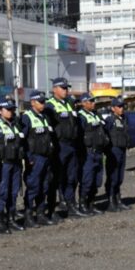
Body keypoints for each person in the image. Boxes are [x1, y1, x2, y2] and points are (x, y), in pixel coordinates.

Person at [43, 78, 86, 218]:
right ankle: (52, 209)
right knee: (56, 178)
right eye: (62, 88)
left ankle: (71, 205)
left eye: (67, 88)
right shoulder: (50, 105)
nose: (65, 90)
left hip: (71, 145)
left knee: (71, 177)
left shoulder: (70, 104)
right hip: (59, 146)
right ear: (54, 89)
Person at [20, 90, 57, 227]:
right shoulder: (27, 117)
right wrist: (28, 157)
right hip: (35, 158)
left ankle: (40, 213)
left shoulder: (45, 117)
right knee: (33, 186)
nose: (43, 104)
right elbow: (23, 139)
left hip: (46, 156)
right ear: (32, 102)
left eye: (44, 102)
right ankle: (28, 215)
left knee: (44, 186)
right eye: (40, 102)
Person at [0, 97, 24, 233]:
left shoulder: (15, 124)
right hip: (4, 164)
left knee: (14, 192)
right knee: (3, 192)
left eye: (12, 109)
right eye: (8, 109)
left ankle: (11, 219)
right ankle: (0, 222)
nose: (10, 112)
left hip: (16, 163)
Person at [76, 92, 109, 216]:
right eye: (91, 101)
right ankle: (83, 204)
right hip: (88, 153)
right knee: (87, 180)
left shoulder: (96, 115)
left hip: (98, 152)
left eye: (93, 101)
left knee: (97, 180)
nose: (93, 103)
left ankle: (91, 203)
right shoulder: (81, 116)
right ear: (84, 103)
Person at [104, 97, 131, 212]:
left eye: (122, 106)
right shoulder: (110, 120)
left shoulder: (124, 119)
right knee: (113, 177)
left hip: (122, 150)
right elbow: (105, 134)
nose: (121, 109)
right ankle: (111, 201)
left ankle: (118, 200)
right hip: (113, 151)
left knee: (120, 177)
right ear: (113, 108)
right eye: (119, 107)